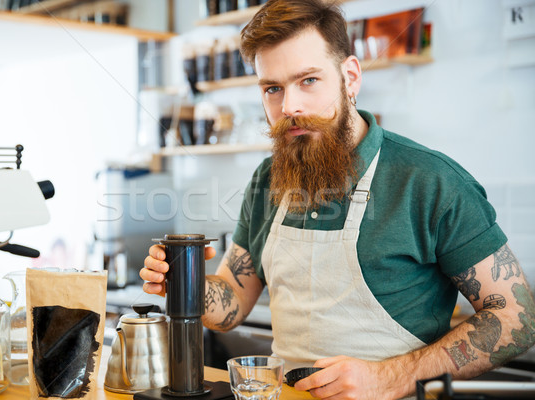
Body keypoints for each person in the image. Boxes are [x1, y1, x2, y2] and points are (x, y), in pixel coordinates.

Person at [141, 0, 535, 398]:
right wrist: (182, 282)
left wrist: (391, 377)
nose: (290, 106)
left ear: (350, 77)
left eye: (308, 80)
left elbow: (517, 318)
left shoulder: (430, 181)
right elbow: (233, 303)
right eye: (272, 88)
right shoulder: (268, 179)